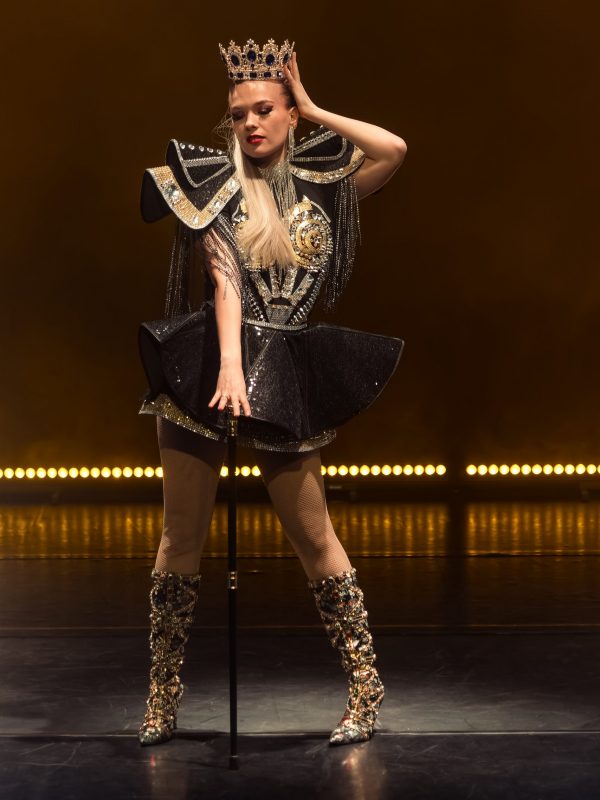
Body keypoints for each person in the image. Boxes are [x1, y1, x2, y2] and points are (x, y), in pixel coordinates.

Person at [136, 38, 407, 748]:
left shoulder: (326, 183)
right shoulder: (213, 182)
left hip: (285, 369)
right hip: (209, 364)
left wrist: (317, 106)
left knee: (314, 535)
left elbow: (394, 149)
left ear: (289, 114)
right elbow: (224, 279)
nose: (250, 124)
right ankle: (162, 697)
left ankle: (365, 689)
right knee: (180, 534)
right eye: (238, 114)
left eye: (265, 110)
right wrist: (229, 365)